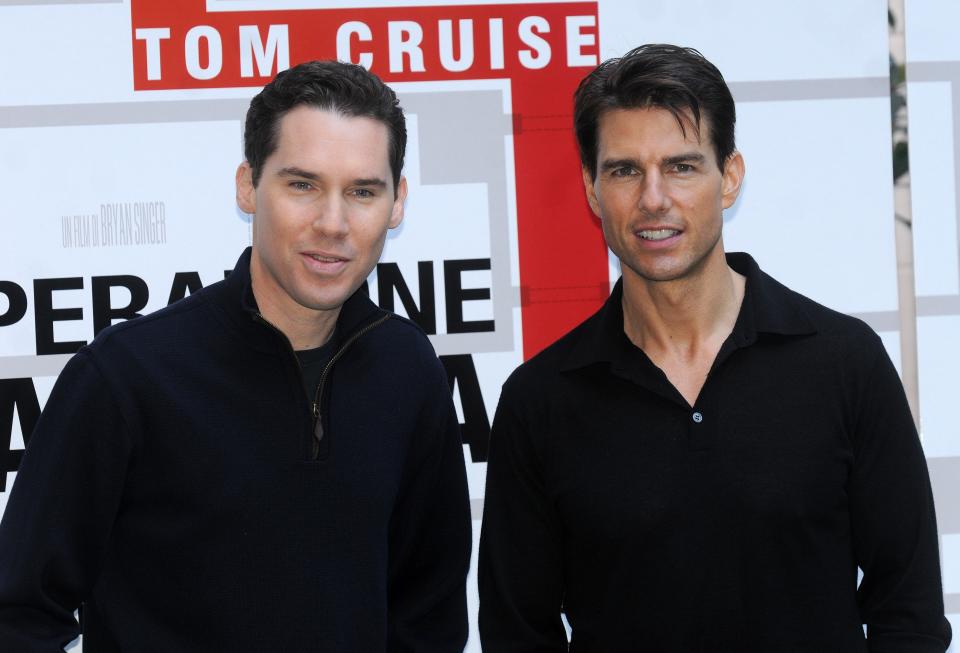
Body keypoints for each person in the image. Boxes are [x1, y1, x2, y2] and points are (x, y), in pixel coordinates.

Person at [478, 44, 951, 651]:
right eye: (624, 170)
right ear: (593, 191)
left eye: (681, 166)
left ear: (728, 178)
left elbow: (908, 611)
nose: (654, 199)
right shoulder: (540, 400)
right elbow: (517, 632)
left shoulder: (844, 362)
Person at [0, 60, 471, 652]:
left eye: (362, 191)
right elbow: (17, 611)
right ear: (249, 185)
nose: (333, 223)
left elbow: (428, 615)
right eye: (302, 185)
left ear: (397, 202)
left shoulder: (409, 369)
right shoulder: (126, 377)